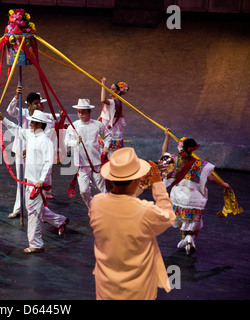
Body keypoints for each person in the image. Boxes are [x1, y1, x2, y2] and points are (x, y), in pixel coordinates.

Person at [89, 147, 175, 300]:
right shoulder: (145, 211)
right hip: (137, 291)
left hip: (105, 288)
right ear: (137, 179)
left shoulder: (96, 203)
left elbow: (121, 202)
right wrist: (158, 185)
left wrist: (139, 186)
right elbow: (169, 217)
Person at [0, 110, 69, 254]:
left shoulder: (46, 141)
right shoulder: (30, 135)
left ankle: (36, 243)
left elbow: (49, 162)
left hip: (38, 182)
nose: (30, 123)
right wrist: (3, 118)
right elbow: (16, 130)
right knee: (35, 209)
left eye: (32, 122)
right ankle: (60, 220)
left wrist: (42, 179)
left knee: (33, 212)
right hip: (30, 180)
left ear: (39, 124)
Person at [161, 129, 231, 254]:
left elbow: (163, 152)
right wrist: (223, 184)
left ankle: (187, 238)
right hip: (194, 198)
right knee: (192, 220)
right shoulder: (198, 164)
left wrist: (167, 137)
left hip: (179, 196)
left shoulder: (174, 161)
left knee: (183, 219)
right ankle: (190, 239)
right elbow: (211, 178)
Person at [6, 85, 59, 219]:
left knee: (36, 182)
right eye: (36, 103)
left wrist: (61, 116)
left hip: (35, 154)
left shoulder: (42, 116)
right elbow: (10, 110)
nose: (39, 106)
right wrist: (16, 96)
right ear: (29, 104)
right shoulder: (22, 113)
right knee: (20, 182)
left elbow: (54, 118)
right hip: (20, 152)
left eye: (39, 103)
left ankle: (43, 212)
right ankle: (18, 209)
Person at [64, 98, 112, 209]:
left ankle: (107, 209)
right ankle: (91, 207)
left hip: (96, 162)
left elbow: (107, 135)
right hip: (81, 163)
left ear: (89, 112)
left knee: (101, 188)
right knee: (83, 190)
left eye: (84, 111)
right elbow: (66, 142)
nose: (81, 114)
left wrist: (106, 147)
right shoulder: (73, 126)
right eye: (79, 112)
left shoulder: (97, 125)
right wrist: (75, 142)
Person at [98, 78, 129, 158]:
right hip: (110, 127)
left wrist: (103, 84)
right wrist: (98, 119)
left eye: (113, 89)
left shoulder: (114, 102)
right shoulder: (115, 101)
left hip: (111, 130)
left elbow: (102, 100)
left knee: (110, 154)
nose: (110, 90)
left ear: (118, 92)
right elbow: (106, 113)